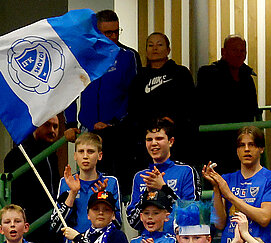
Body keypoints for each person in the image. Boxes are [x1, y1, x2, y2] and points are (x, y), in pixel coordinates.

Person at [70, 10, 141, 185]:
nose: (114, 36)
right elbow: (70, 91)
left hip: (116, 130)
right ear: (97, 31)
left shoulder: (128, 56)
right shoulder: (83, 57)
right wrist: (70, 123)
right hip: (87, 129)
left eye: (117, 31)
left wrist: (114, 122)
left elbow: (133, 94)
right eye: (108, 32)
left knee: (114, 182)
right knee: (86, 182)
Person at [194, 37, 261, 172]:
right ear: (223, 52)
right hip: (215, 142)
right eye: (235, 50)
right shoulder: (208, 74)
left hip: (241, 141)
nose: (239, 54)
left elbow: (252, 110)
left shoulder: (247, 77)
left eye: (242, 51)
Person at [129, 33, 195, 163]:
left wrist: (174, 119)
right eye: (150, 45)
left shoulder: (181, 73)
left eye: (159, 44)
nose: (155, 48)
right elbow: (134, 106)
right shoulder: (139, 77)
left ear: (168, 50)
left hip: (177, 135)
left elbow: (190, 102)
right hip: (147, 136)